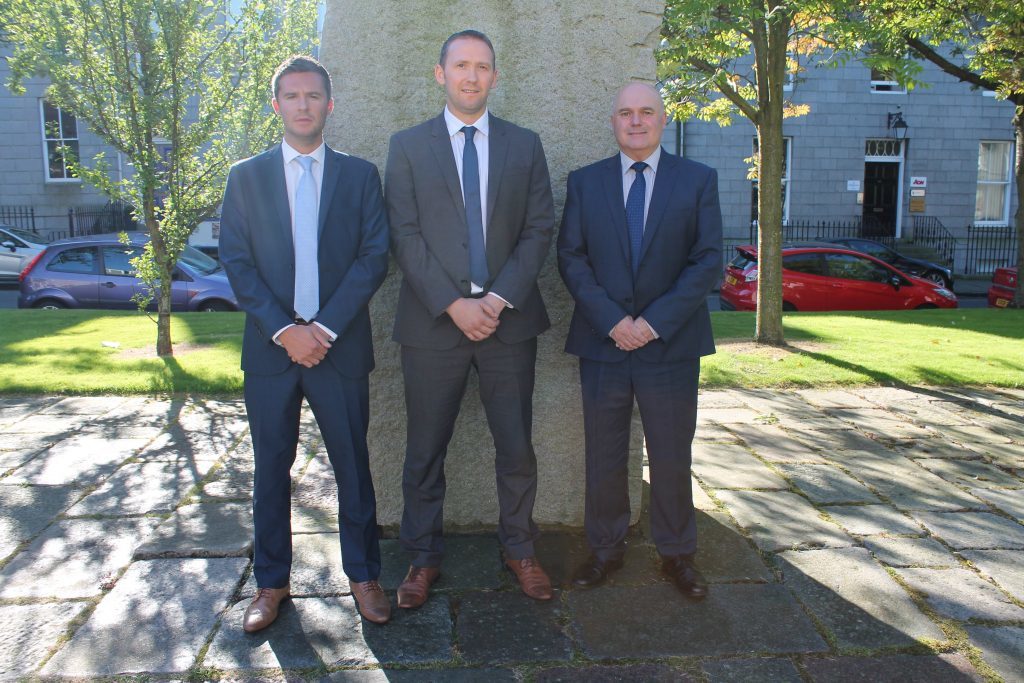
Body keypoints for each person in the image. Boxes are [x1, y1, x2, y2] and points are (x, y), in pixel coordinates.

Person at [219, 55, 391, 630]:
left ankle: (364, 576)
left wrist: (322, 329)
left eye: (313, 95)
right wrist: (287, 331)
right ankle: (270, 584)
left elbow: (373, 258)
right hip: (271, 350)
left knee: (353, 466)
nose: (302, 105)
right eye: (291, 96)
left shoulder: (360, 176)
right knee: (270, 467)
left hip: (339, 346)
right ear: (277, 106)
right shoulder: (246, 177)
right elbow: (237, 263)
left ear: (329, 104)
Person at [385, 29, 555, 607]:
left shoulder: (524, 145)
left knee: (517, 448)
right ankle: (421, 558)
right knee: (425, 450)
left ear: (494, 77)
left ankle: (520, 549)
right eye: (461, 65)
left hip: (509, 323)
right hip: (433, 324)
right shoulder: (408, 146)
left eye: (482, 66)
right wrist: (454, 304)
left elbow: (538, 230)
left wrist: (497, 298)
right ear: (441, 74)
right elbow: (403, 235)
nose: (472, 76)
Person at [557, 82, 722, 599]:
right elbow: (572, 258)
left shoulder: (697, 180)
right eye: (625, 113)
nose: (635, 121)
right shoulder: (585, 184)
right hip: (603, 344)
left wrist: (651, 324)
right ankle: (604, 551)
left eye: (645, 112)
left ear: (662, 119)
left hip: (670, 345)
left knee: (672, 454)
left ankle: (678, 555)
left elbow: (707, 262)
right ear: (613, 121)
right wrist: (613, 321)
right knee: (605, 454)